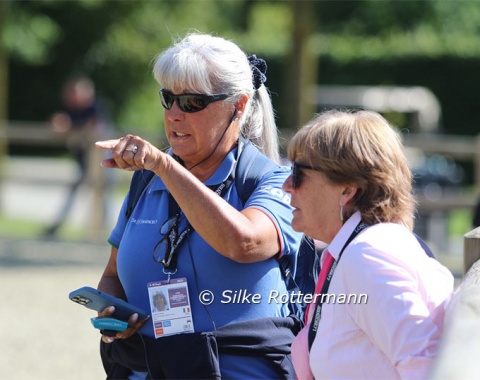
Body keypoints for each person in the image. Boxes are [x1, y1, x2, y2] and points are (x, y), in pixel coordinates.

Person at [94, 33, 303, 379]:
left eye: (192, 102)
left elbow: (244, 242)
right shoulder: (148, 179)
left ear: (238, 106)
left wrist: (165, 166)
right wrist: (112, 311)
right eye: (168, 98)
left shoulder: (273, 180)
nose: (175, 114)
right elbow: (113, 275)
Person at [282, 109, 454, 379]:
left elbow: (423, 364)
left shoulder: (369, 254)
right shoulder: (362, 246)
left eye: (298, 172)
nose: (286, 185)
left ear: (347, 190)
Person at [43, 75, 112, 237]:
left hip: (103, 161)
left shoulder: (96, 107)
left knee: (103, 195)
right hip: (83, 160)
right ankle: (56, 227)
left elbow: (95, 129)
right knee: (74, 193)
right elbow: (58, 124)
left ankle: (106, 231)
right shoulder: (71, 109)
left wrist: (70, 127)